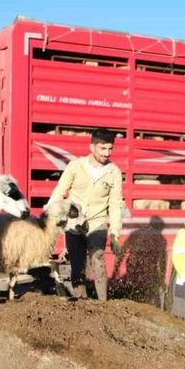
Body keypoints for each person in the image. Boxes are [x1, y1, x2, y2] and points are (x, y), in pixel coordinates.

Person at [49, 128, 123, 301]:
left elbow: (115, 204)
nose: (107, 153)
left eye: (110, 149)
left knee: (97, 256)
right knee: (77, 264)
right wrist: (51, 215)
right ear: (92, 147)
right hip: (75, 223)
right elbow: (59, 191)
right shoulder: (75, 166)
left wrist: (115, 233)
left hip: (97, 222)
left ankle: (103, 304)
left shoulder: (114, 172)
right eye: (103, 149)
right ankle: (81, 303)